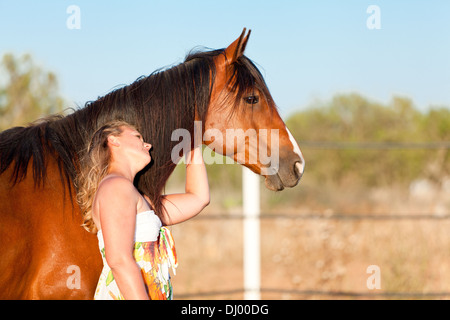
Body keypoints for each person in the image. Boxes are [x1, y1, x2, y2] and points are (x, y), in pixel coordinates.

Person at [76, 120, 209, 300]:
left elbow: (198, 198)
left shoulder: (135, 196)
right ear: (114, 140)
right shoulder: (116, 186)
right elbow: (118, 260)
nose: (148, 144)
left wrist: (192, 144)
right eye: (138, 136)